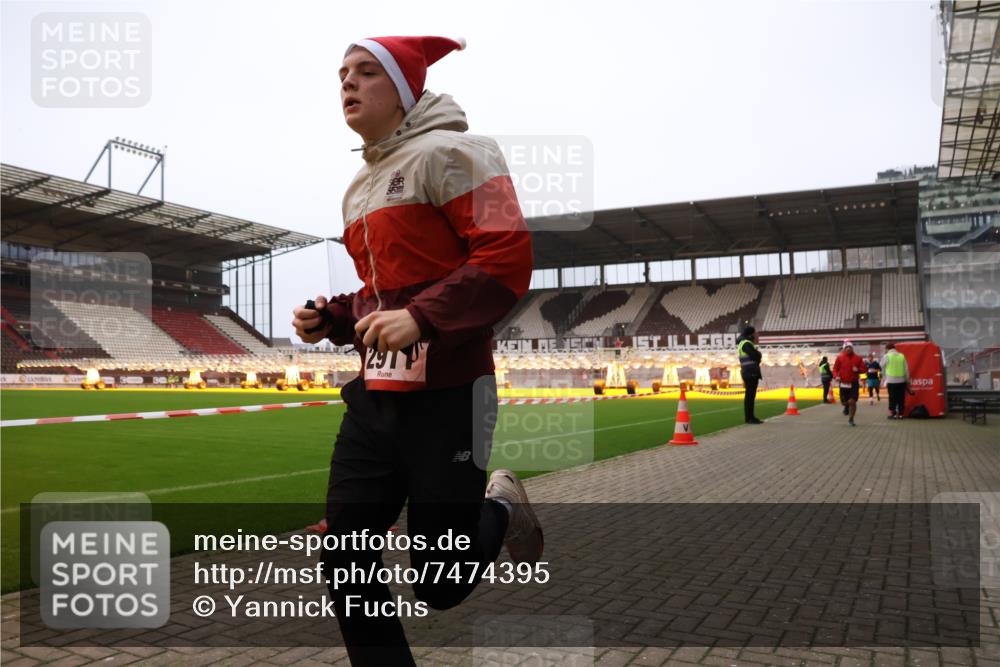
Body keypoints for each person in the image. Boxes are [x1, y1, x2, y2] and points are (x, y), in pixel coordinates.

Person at [291, 36, 539, 666]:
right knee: (344, 556)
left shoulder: (458, 152)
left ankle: (501, 507)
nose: (347, 83)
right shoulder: (358, 188)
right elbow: (382, 295)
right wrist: (334, 317)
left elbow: (507, 255)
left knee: (439, 585)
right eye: (342, 74)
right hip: (375, 400)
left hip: (452, 399)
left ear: (404, 90)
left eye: (365, 72)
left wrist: (423, 318)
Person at [833, 340, 866, 426]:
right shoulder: (840, 358)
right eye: (846, 348)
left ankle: (851, 419)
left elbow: (864, 369)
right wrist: (836, 376)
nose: (848, 349)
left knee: (852, 401)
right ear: (844, 349)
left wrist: (858, 370)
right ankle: (846, 406)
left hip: (853, 383)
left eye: (850, 347)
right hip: (843, 383)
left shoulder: (858, 358)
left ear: (852, 348)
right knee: (844, 402)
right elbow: (835, 369)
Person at [736, 325, 763, 424]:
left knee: (750, 396)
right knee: (750, 396)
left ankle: (750, 417)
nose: (756, 335)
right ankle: (750, 418)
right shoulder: (746, 343)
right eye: (754, 333)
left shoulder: (743, 343)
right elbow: (756, 356)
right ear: (751, 334)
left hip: (748, 372)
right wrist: (759, 354)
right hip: (750, 372)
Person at [881, 342, 910, 419]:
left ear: (887, 349)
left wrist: (884, 380)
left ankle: (893, 414)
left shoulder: (886, 356)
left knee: (892, 398)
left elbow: (882, 367)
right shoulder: (902, 356)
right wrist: (907, 380)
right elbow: (906, 369)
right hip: (901, 381)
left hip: (891, 380)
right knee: (901, 398)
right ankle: (901, 414)